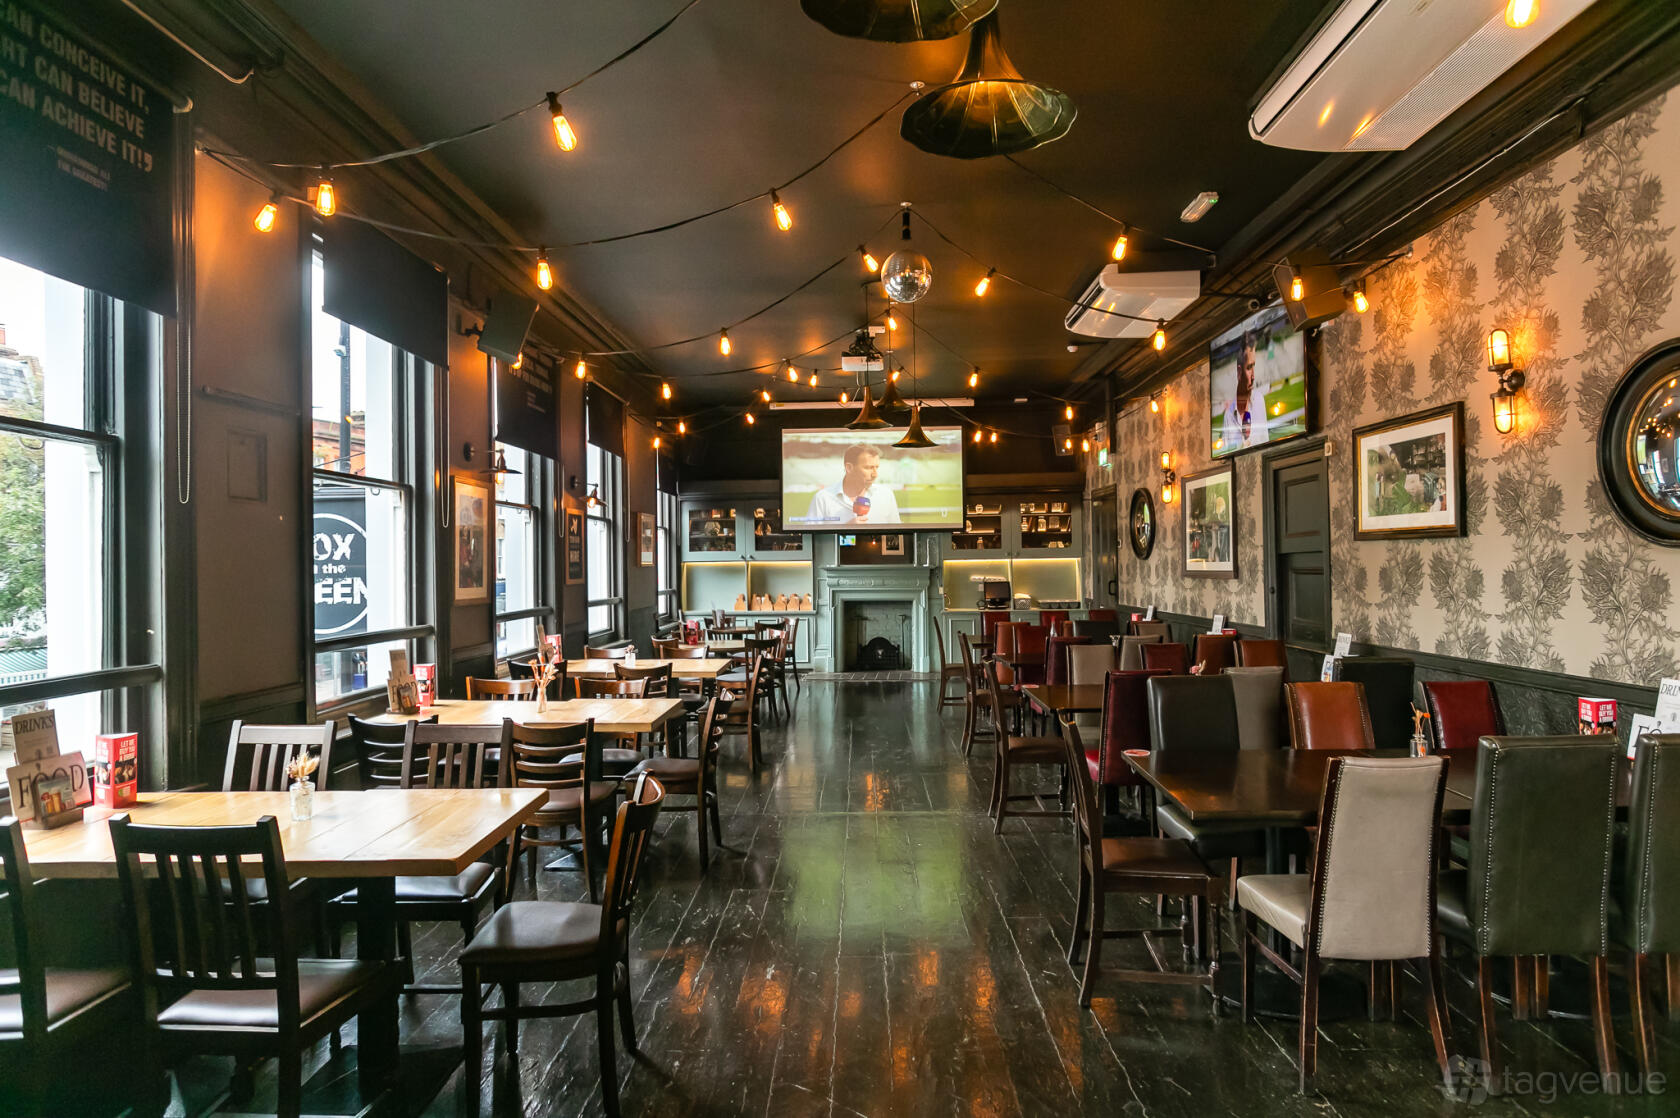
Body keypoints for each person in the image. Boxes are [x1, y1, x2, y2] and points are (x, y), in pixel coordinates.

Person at [805, 444, 901, 525]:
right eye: (868, 468)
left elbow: (897, 537)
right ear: (849, 468)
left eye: (876, 467)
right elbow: (811, 540)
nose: (875, 474)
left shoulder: (886, 495)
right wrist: (845, 530)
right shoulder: (822, 499)